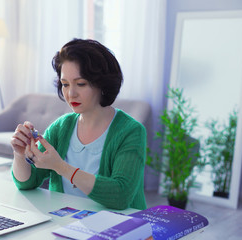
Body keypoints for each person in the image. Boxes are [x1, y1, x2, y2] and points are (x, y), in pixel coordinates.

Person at [11, 39, 147, 210]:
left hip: (118, 229)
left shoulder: (131, 132)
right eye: (65, 84)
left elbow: (120, 195)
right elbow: (27, 183)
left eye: (81, 84)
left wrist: (61, 167)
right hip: (66, 226)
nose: (71, 93)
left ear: (102, 83)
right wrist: (20, 154)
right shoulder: (61, 128)